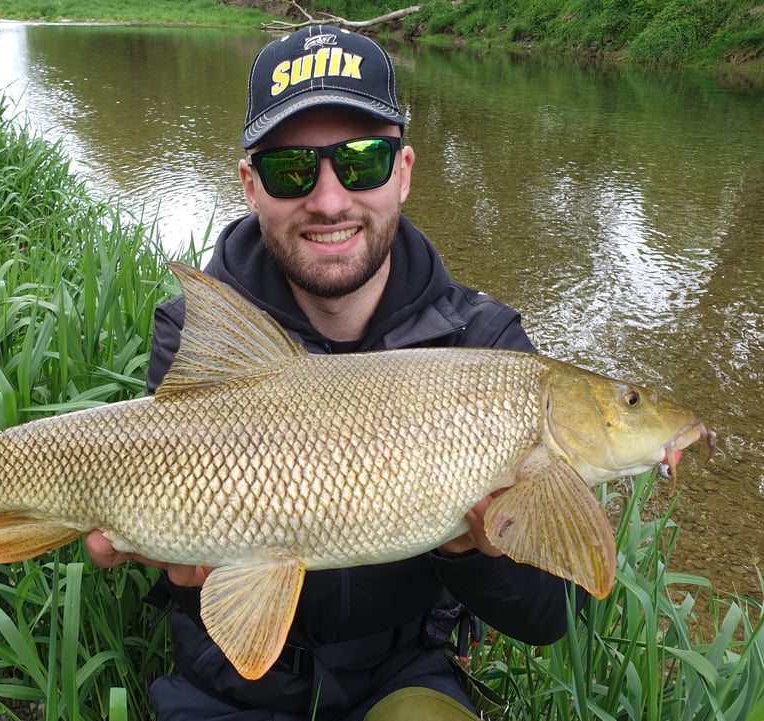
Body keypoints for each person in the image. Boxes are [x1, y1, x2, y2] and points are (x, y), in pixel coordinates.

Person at [87, 25, 584, 720]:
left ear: (403, 171)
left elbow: (550, 615)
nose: (328, 199)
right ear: (251, 185)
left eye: (362, 161)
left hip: (400, 672)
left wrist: (473, 547)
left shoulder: (487, 348)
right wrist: (180, 562)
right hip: (229, 685)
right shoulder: (198, 329)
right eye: (293, 169)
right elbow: (180, 567)